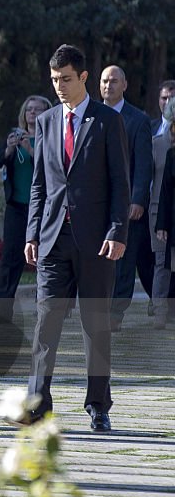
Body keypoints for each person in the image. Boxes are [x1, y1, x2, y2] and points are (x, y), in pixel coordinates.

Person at [21, 44, 129, 432]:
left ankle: (98, 404)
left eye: (66, 79)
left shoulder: (106, 122)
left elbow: (121, 184)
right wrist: (32, 232)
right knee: (45, 323)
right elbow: (39, 185)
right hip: (52, 240)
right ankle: (36, 404)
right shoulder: (47, 121)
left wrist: (118, 232)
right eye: (54, 80)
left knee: (95, 324)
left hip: (97, 241)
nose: (60, 87)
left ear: (84, 77)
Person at [99, 66, 153, 332]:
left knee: (124, 259)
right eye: (104, 81)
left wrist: (138, 199)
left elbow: (144, 165)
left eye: (114, 81)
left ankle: (115, 314)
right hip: (97, 202)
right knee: (99, 258)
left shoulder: (138, 120)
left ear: (125, 85)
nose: (108, 85)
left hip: (127, 203)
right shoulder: (90, 116)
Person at [0, 95, 51, 323]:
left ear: (47, 113)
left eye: (37, 110)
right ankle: (2, 312)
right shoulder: (14, 137)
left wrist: (31, 150)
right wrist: (8, 150)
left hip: (43, 208)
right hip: (16, 207)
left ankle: (45, 309)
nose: (32, 113)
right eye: (29, 110)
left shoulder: (50, 138)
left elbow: (51, 169)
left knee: (46, 260)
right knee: (10, 260)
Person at [148, 82, 175, 326]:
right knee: (161, 263)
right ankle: (159, 310)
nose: (168, 104)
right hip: (159, 210)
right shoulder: (154, 139)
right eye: (165, 98)